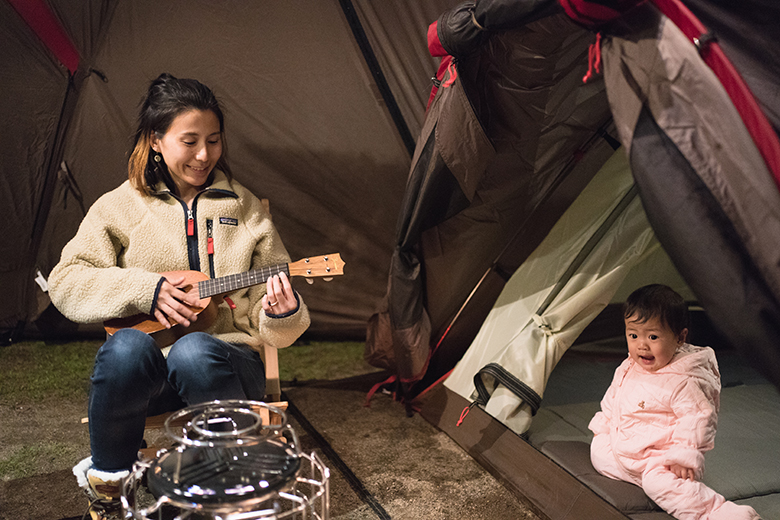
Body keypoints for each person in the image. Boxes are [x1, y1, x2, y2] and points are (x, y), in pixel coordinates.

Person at [48, 73, 310, 518]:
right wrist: (143, 289)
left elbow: (277, 326)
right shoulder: (118, 207)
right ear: (156, 140)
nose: (204, 154)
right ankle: (111, 491)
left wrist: (283, 313)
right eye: (189, 141)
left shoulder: (243, 208)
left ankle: (228, 486)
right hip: (151, 383)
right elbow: (66, 281)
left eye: (214, 140)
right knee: (126, 346)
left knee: (192, 351)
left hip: (227, 370)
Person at [588, 284, 760, 520]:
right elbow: (614, 397)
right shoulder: (629, 366)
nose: (642, 345)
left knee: (658, 482)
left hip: (662, 456)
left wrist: (683, 456)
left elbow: (698, 418)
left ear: (680, 338)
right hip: (629, 444)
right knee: (599, 453)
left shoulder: (684, 380)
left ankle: (721, 513)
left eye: (653, 336)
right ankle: (635, 470)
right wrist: (604, 426)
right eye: (633, 335)